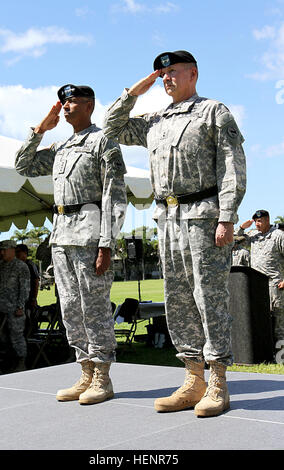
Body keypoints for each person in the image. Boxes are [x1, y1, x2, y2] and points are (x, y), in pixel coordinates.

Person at [103, 50, 246, 417]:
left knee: (208, 296)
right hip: (166, 218)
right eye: (161, 75)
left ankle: (218, 382)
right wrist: (136, 90)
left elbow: (232, 166)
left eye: (172, 72)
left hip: (203, 215)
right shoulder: (155, 119)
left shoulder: (213, 111)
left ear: (193, 73)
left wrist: (226, 216)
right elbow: (113, 127)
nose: (166, 79)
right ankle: (193, 378)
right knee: (178, 297)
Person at [15, 84, 127, 405]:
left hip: (90, 234)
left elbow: (114, 195)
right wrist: (39, 129)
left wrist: (107, 244)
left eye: (72, 102)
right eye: (63, 103)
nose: (65, 107)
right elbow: (23, 166)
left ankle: (102, 377)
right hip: (61, 235)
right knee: (70, 307)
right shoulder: (61, 147)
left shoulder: (102, 141)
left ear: (89, 105)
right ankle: (85, 373)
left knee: (94, 307)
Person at [236, 210, 284, 343]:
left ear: (267, 220)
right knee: (260, 316)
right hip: (256, 284)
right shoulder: (253, 235)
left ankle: (280, 350)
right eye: (256, 221)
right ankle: (266, 349)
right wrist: (241, 228)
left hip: (274, 284)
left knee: (278, 316)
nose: (257, 224)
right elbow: (234, 242)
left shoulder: (278, 235)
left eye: (260, 221)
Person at [0, 240, 30, 371]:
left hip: (14, 309)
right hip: (0, 309)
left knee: (17, 337)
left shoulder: (21, 266)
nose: (2, 252)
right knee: (2, 338)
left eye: (3, 250)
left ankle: (21, 362)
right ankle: (9, 362)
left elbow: (24, 288)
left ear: (12, 250)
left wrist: (20, 306)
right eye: (0, 250)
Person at [15, 244, 40, 318]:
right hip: (18, 300)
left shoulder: (30, 265)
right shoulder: (15, 265)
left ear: (25, 253)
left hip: (29, 300)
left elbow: (36, 282)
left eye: (18, 251)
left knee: (30, 320)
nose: (16, 253)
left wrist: (33, 299)